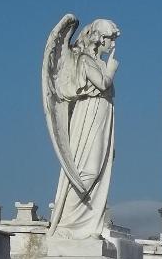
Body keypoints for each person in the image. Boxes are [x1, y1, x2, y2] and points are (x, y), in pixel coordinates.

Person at [50, 18, 120, 239]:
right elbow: (102, 83)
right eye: (110, 40)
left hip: (102, 116)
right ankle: (67, 225)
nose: (113, 45)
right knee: (86, 171)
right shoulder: (84, 60)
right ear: (99, 39)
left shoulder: (96, 62)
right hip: (88, 116)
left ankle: (88, 226)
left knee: (99, 169)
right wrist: (111, 69)